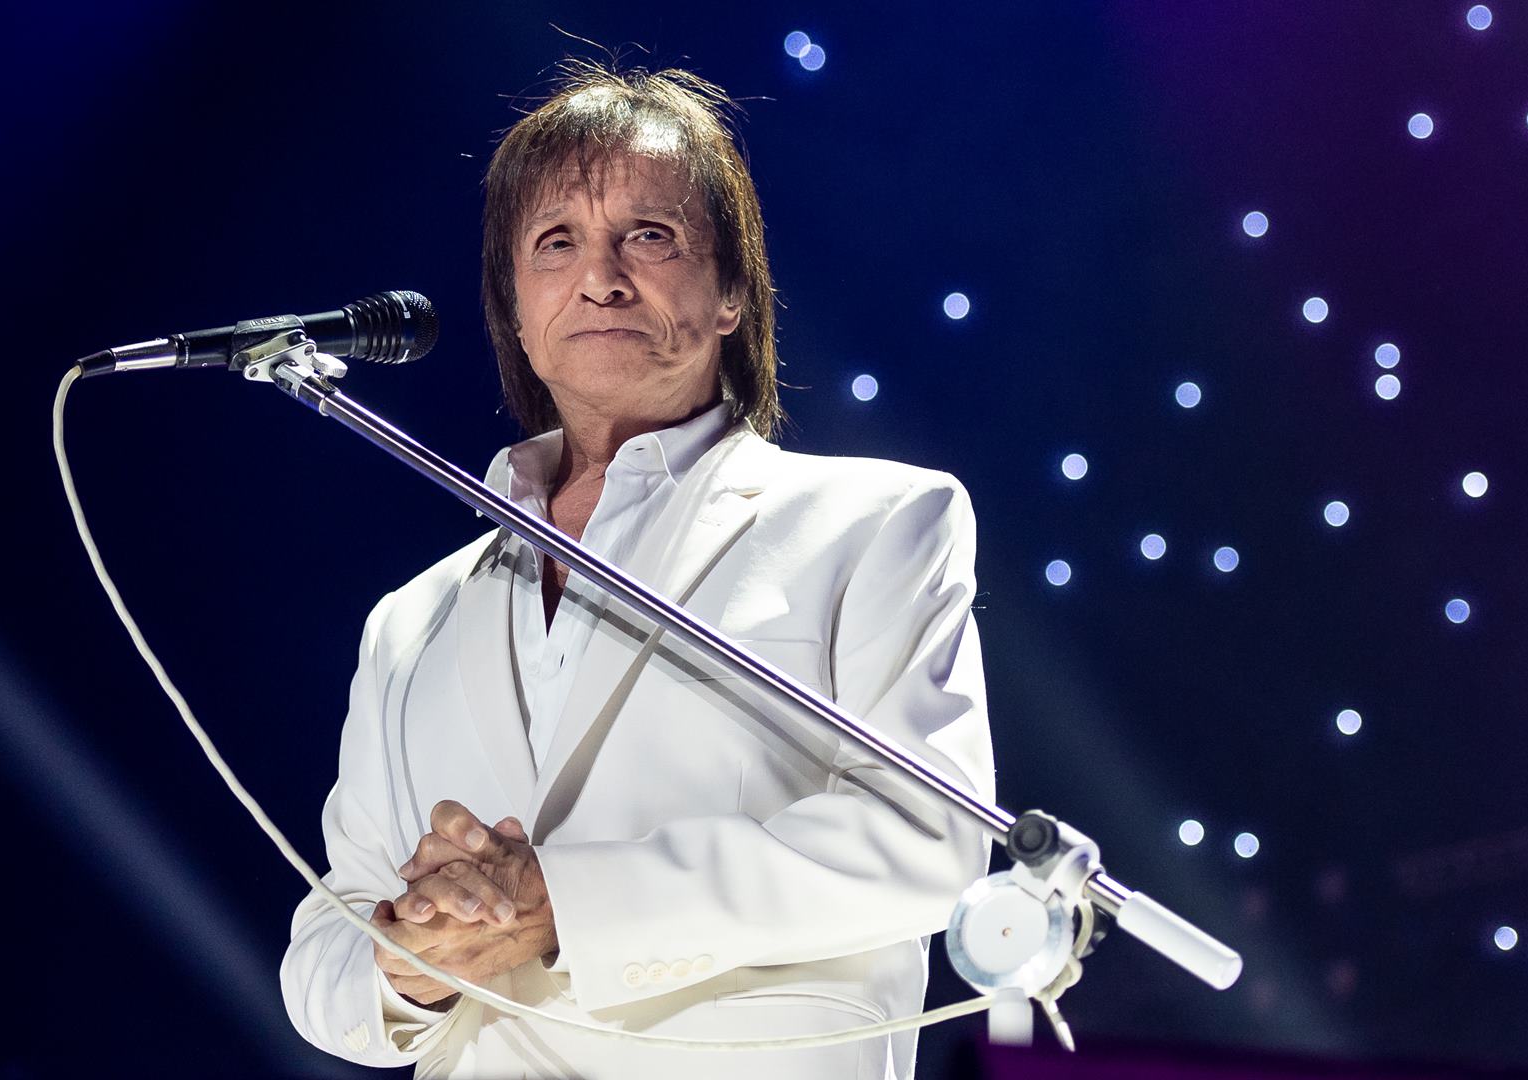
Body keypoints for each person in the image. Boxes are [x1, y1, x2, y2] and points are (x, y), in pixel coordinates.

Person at [280, 61, 995, 1079]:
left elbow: (924, 840)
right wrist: (416, 962)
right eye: (555, 243)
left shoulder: (877, 523)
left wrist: (560, 900)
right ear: (519, 312)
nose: (600, 276)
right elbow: (324, 952)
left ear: (734, 291)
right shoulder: (412, 619)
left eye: (648, 237)